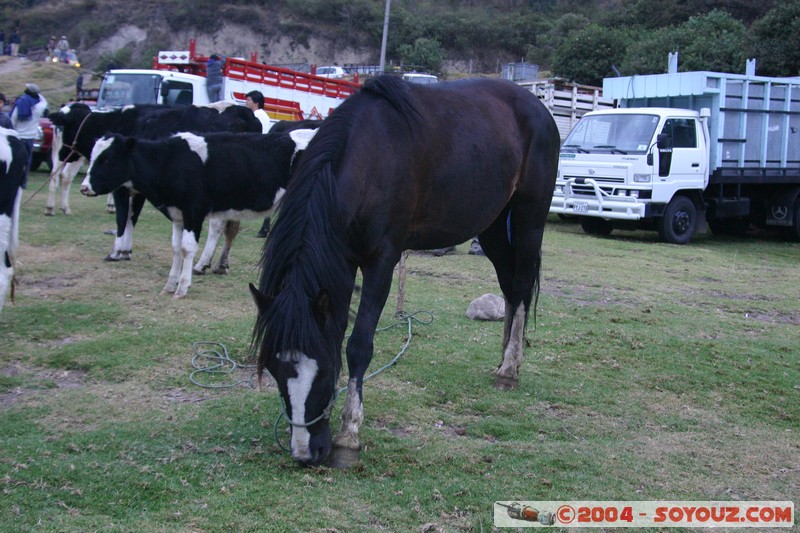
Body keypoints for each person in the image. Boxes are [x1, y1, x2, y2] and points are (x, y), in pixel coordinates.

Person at [245, 90, 274, 238]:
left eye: (248, 100)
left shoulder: (259, 116)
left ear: (256, 102)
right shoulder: (257, 115)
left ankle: (265, 225)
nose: (246, 102)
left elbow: (258, 135)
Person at [10, 83, 48, 189]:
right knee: (27, 162)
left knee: (16, 161)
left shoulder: (21, 103)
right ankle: (23, 182)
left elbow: (13, 120)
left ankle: (13, 181)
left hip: (18, 137)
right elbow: (43, 100)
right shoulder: (39, 106)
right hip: (31, 138)